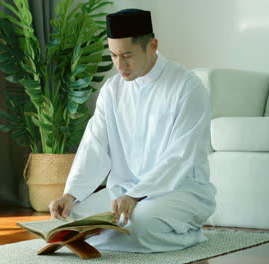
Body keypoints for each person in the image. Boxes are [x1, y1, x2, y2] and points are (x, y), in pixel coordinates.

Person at [49, 8, 217, 253]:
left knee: (138, 225)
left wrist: (137, 195)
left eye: (127, 55)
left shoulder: (187, 86)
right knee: (72, 218)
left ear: (152, 45)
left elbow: (180, 157)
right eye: (114, 55)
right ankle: (114, 234)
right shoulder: (112, 89)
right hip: (123, 193)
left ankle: (191, 236)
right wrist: (70, 195)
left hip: (179, 191)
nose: (119, 65)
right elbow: (93, 145)